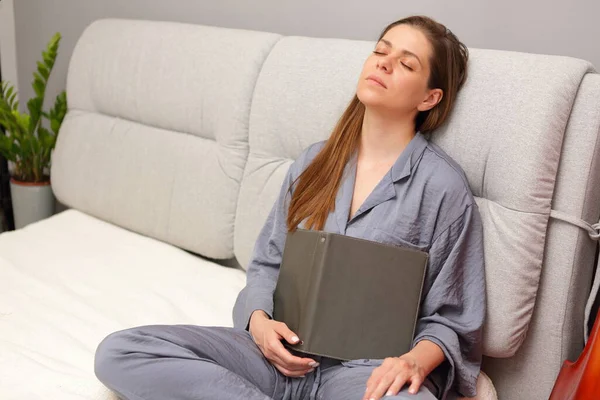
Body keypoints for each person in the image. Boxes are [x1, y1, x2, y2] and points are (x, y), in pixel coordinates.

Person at [94, 15, 485, 400]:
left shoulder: (443, 188)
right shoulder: (314, 163)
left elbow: (452, 318)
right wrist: (260, 325)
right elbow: (268, 262)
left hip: (365, 375)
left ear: (429, 97)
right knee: (121, 351)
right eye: (380, 51)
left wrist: (414, 363)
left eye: (405, 63)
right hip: (276, 359)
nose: (383, 62)